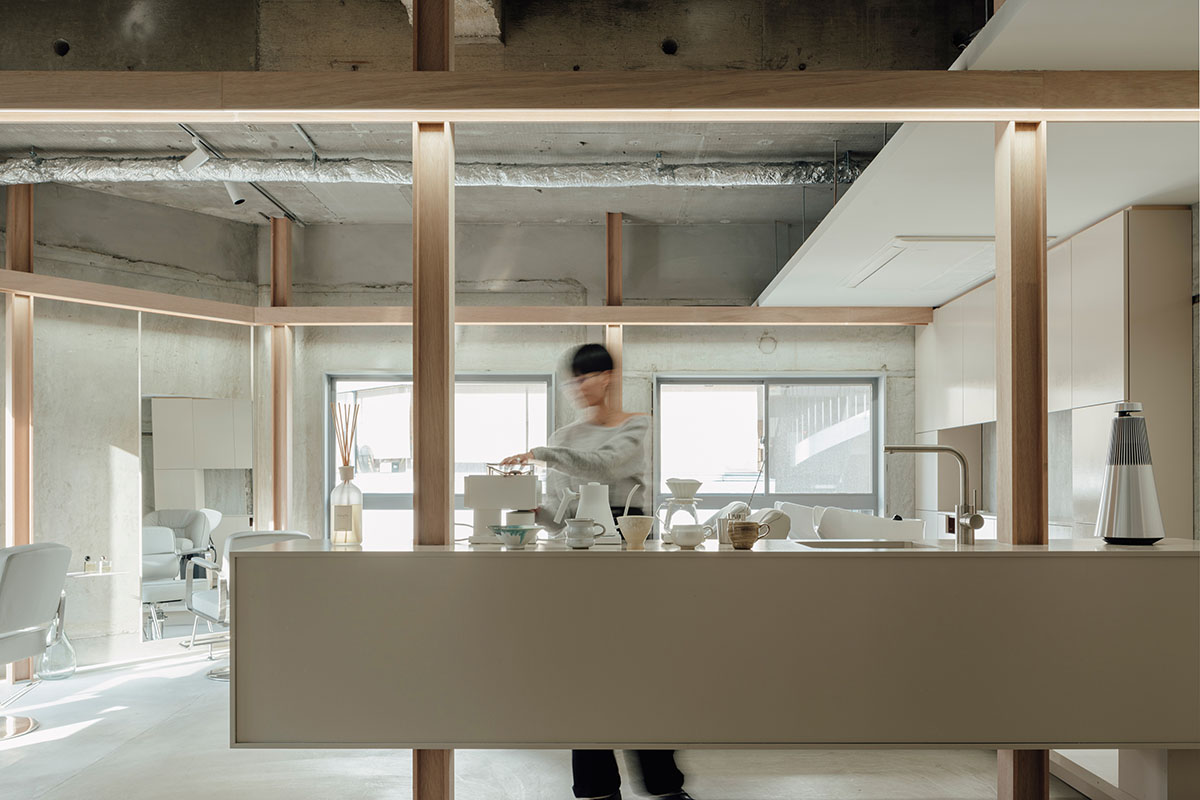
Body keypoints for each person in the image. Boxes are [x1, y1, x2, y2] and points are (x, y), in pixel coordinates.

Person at [501, 343, 694, 800]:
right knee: (582, 674)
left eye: (588, 376)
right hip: (579, 560)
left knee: (640, 672)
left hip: (631, 557)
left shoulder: (636, 425)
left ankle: (664, 785)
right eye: (575, 379)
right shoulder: (564, 437)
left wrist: (540, 454)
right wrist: (532, 510)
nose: (580, 387)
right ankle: (594, 788)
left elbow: (606, 465)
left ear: (608, 377)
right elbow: (560, 512)